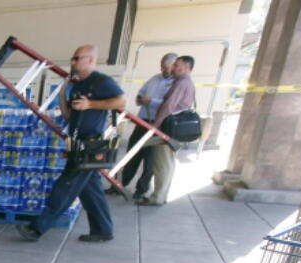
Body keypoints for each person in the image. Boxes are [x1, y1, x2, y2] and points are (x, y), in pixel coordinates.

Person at [18, 44, 126, 244]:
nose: (73, 62)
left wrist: (91, 104)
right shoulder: (78, 85)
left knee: (65, 186)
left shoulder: (102, 81)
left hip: (89, 144)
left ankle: (37, 228)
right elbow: (71, 117)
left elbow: (121, 102)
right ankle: (103, 229)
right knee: (91, 190)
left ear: (91, 60)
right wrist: (62, 97)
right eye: (73, 58)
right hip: (77, 142)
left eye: (77, 58)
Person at [108, 53, 175, 200]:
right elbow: (140, 94)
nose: (163, 69)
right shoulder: (154, 79)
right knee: (132, 153)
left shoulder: (175, 84)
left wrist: (151, 101)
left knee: (149, 159)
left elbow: (168, 104)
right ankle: (119, 184)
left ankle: (141, 190)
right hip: (142, 121)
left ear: (174, 66)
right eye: (162, 66)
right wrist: (140, 99)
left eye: (166, 67)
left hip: (157, 124)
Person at [138, 55, 196, 207]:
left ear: (187, 68)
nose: (174, 68)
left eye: (178, 65)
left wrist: (156, 126)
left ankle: (157, 197)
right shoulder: (186, 83)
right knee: (168, 163)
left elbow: (168, 106)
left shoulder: (181, 83)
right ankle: (161, 195)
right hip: (175, 129)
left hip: (168, 128)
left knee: (162, 164)